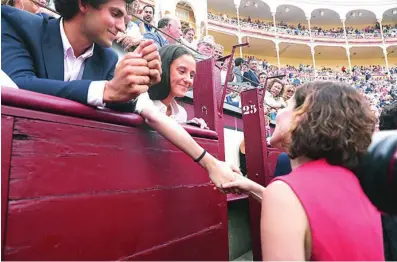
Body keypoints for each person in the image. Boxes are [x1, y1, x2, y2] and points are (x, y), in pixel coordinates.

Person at [223, 81, 383, 260]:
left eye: (288, 105)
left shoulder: (284, 192)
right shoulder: (360, 183)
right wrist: (252, 187)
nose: (280, 112)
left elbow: (293, 201)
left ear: (301, 116)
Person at [2, 0, 161, 106]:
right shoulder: (19, 25)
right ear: (84, 4)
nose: (121, 27)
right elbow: (16, 85)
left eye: (124, 19)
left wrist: (136, 85)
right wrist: (105, 90)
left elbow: (116, 100)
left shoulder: (108, 58)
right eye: (115, 14)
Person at [148, 45, 207, 128]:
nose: (189, 80)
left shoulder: (181, 113)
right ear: (164, 68)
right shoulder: (141, 102)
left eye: (191, 75)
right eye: (182, 71)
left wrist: (190, 126)